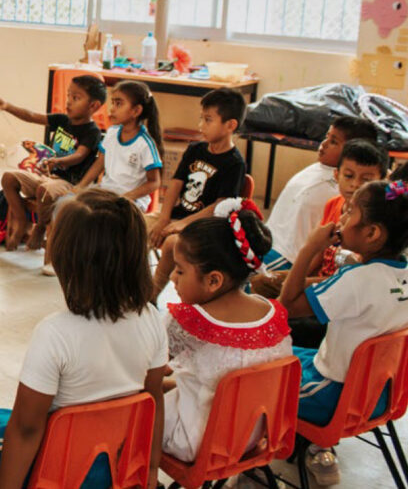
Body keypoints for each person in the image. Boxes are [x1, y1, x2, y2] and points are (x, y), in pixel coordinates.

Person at [0, 190, 168, 489]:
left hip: (56, 468)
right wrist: (149, 472)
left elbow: (26, 428)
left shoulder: (56, 333)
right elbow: (154, 402)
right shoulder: (151, 319)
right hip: (117, 464)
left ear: (67, 258)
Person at [280, 179, 408, 486]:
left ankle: (248, 465)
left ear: (372, 233)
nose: (340, 219)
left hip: (335, 396)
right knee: (276, 358)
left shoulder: (357, 278)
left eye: (349, 213)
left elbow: (288, 304)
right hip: (381, 395)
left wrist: (312, 245)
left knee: (254, 375)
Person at [161, 198, 292, 462]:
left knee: (127, 390)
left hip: (195, 441)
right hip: (250, 437)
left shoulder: (188, 321)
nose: (172, 279)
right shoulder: (274, 315)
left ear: (213, 280)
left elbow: (147, 370)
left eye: (179, 271)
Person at [251, 139, 387, 299]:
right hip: (320, 279)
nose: (355, 184)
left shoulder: (375, 220)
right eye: (349, 176)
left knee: (266, 290)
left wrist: (298, 284)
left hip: (342, 287)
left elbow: (357, 278)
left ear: (381, 181)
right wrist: (297, 277)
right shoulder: (333, 204)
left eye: (366, 180)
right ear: (336, 175)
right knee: (259, 281)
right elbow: (319, 254)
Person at [0, 74, 106, 251]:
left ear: (93, 106)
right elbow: (31, 115)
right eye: (68, 95)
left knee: (44, 191)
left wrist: (57, 161)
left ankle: (40, 227)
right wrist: (7, 106)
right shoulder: (62, 120)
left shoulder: (92, 132)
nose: (68, 102)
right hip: (44, 176)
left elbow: (79, 155)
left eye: (76, 98)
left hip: (66, 183)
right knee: (8, 178)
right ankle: (21, 219)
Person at [150, 89, 248, 295]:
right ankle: (126, 282)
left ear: (230, 125)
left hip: (204, 227)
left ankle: (150, 295)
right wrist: (163, 218)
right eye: (201, 118)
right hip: (177, 216)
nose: (200, 126)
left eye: (208, 120)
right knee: (132, 223)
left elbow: (220, 206)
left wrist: (182, 224)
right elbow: (175, 184)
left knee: (171, 243)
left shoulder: (234, 163)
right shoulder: (195, 149)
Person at [261, 116, 379, 273]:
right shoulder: (320, 169)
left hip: (287, 254)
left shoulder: (346, 192)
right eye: (326, 137)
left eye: (333, 142)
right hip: (269, 240)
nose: (323, 145)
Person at [74, 81, 164, 213]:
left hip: (132, 201)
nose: (112, 108)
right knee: (73, 206)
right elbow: (100, 163)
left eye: (119, 104)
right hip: (107, 193)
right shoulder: (112, 132)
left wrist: (126, 197)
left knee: (99, 216)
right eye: (113, 103)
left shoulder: (145, 144)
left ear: (136, 111)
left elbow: (154, 182)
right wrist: (81, 186)